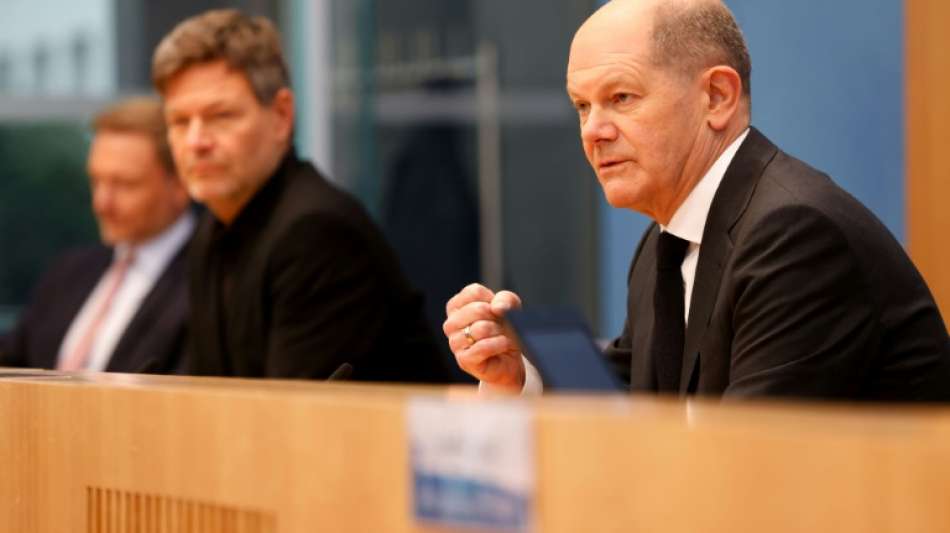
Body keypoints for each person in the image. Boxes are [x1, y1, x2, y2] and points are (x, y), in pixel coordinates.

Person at [444, 0, 950, 400]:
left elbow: (744, 464)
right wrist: (517, 376)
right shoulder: (663, 245)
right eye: (582, 105)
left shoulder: (795, 236)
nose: (593, 131)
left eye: (621, 98)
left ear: (717, 97)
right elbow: (632, 401)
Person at [151, 9, 450, 381]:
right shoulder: (213, 228)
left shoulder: (316, 231)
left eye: (220, 116)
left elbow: (293, 414)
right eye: (179, 121)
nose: (196, 142)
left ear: (281, 115)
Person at [0, 97, 195, 374]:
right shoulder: (70, 271)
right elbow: (13, 359)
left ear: (180, 185)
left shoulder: (210, 283)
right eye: (96, 181)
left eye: (124, 184)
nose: (101, 203)